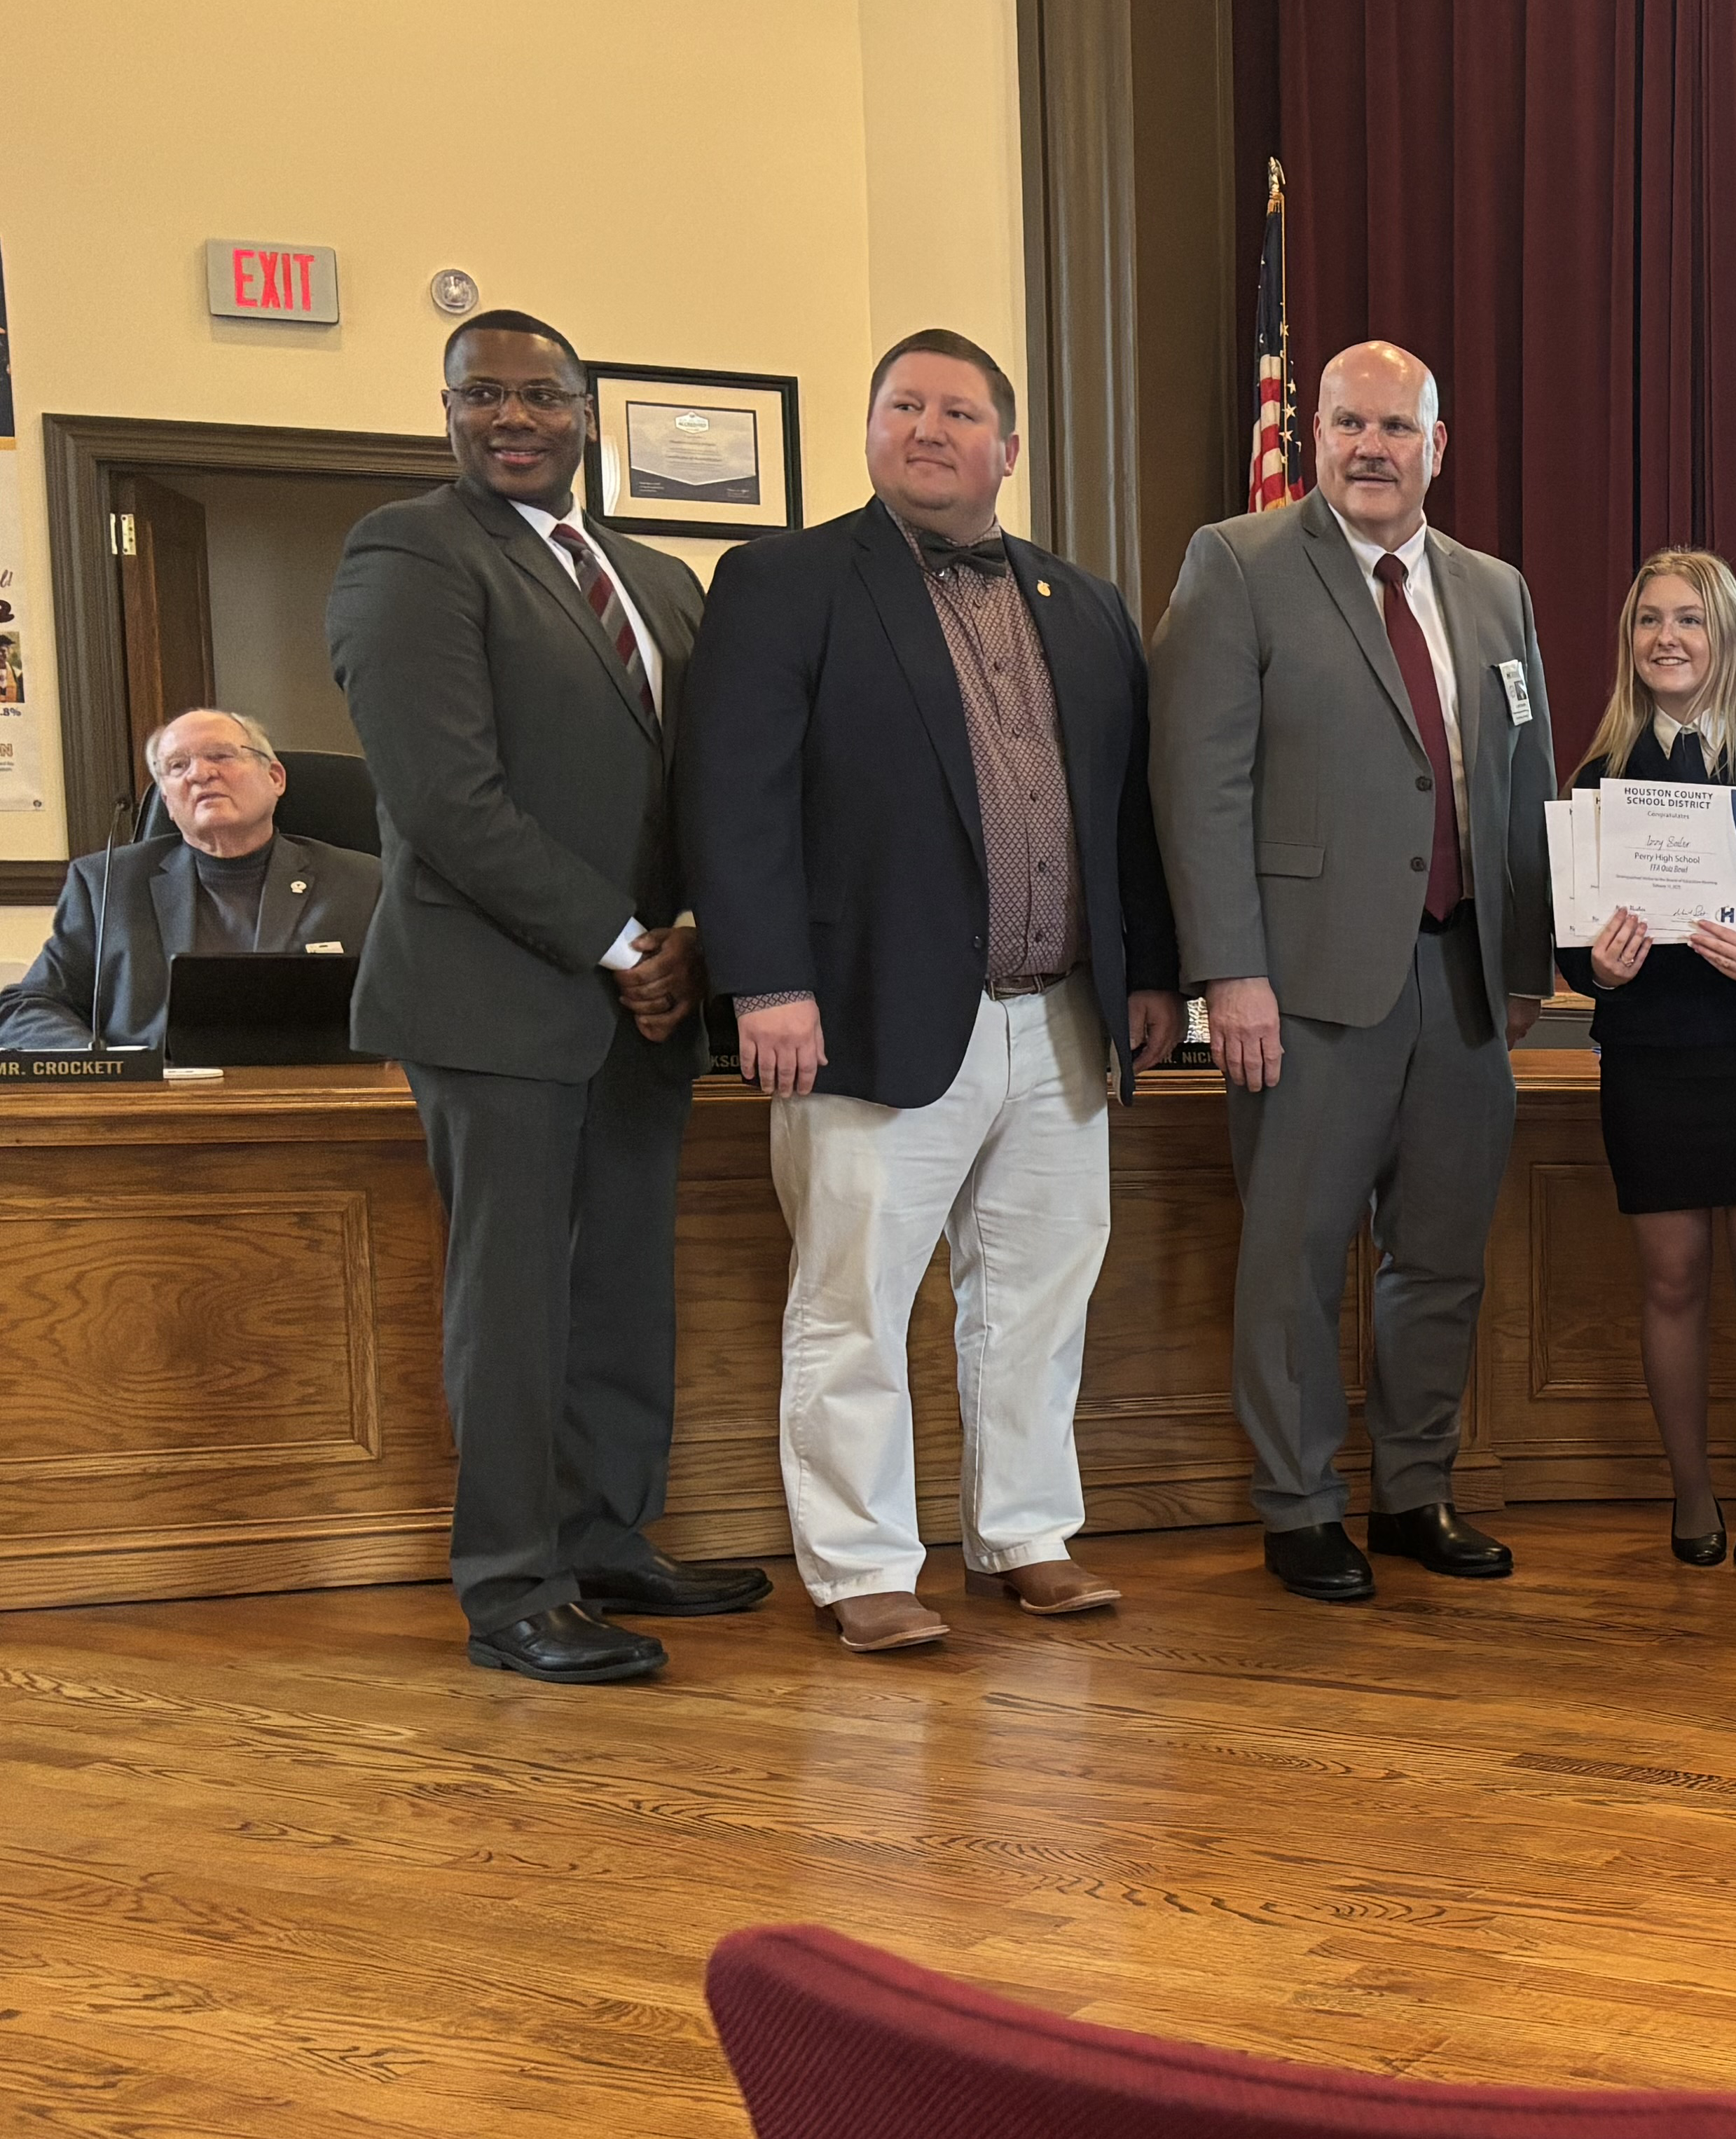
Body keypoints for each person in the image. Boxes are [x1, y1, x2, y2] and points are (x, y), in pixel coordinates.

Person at [678, 329, 1184, 1653]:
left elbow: (1126, 805)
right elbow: (733, 800)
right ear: (869, 428)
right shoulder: (781, 582)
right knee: (854, 1296)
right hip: (862, 1007)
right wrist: (767, 982)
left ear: (1007, 451)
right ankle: (861, 1563)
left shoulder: (1084, 604)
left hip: (1060, 1009)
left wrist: (1149, 970)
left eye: (959, 412)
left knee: (1038, 1291)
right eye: (904, 405)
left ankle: (1025, 1532)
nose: (928, 429)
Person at [327, 309, 767, 1684]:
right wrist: (622, 942)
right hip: (496, 998)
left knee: (626, 1284)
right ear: (446, 411)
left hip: (647, 1002)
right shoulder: (411, 553)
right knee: (513, 1302)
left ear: (589, 411)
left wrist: (692, 935)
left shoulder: (656, 574)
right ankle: (514, 1586)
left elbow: (714, 780)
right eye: (483, 396)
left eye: (541, 396)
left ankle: (607, 1533)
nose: (513, 417)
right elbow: (445, 798)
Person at [1150, 341, 1554, 1605]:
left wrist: (1530, 954)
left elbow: (1519, 785)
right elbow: (1197, 784)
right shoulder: (1239, 564)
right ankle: (1299, 1502)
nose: (1372, 447)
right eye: (1349, 424)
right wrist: (1229, 973)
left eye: (1396, 426)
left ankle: (1415, 1490)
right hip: (1304, 986)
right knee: (1295, 1253)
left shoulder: (1497, 592)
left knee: (1440, 1257)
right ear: (1312, 436)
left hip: (1467, 981)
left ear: (1441, 446)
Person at [1552, 548, 1736, 1567]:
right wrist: (1597, 964)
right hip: (1650, 1059)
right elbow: (1568, 945)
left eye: (1689, 619)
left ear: (1730, 639)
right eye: (1648, 621)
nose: (1667, 639)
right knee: (1671, 1279)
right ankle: (1690, 1493)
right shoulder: (1602, 776)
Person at [0, 708, 379, 1049]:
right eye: (178, 766)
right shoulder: (107, 883)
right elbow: (31, 1005)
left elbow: (420, 999)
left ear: (275, 777)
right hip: (156, 1109)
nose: (200, 773)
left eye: (220, 756)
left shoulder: (364, 881)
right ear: (166, 798)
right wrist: (103, 1067)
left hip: (324, 1104)